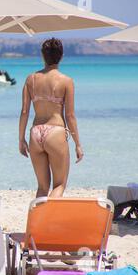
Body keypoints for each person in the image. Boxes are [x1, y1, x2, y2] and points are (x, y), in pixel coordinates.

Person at [19, 38, 84, 198]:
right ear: (61, 56)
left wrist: (21, 139)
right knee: (59, 185)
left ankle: (37, 222)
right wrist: (77, 144)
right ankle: (50, 222)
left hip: (35, 132)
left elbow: (25, 111)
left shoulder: (31, 79)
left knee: (42, 188)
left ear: (43, 55)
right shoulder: (66, 81)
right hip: (55, 131)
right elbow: (70, 115)